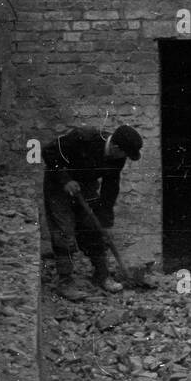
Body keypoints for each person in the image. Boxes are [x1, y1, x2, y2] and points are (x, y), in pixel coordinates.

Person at [42, 124, 143, 299]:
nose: (124, 158)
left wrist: (105, 218)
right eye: (124, 154)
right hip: (59, 185)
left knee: (94, 229)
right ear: (115, 147)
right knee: (64, 231)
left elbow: (111, 186)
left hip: (86, 186)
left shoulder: (118, 156)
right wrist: (65, 180)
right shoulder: (85, 137)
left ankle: (102, 276)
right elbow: (48, 152)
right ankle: (65, 282)